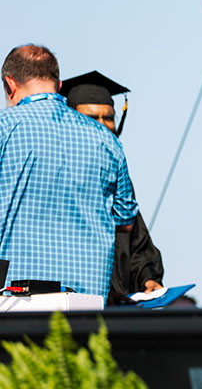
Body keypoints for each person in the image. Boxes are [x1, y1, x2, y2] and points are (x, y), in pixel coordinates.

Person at [0, 45, 138, 300]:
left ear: (10, 85)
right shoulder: (107, 140)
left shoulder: (4, 128)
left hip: (13, 303)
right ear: (58, 83)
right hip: (87, 303)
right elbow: (126, 220)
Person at [60, 71, 164, 303]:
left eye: (108, 118)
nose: (102, 126)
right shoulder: (55, 175)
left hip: (117, 311)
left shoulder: (117, 179)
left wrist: (148, 279)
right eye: (91, 118)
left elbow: (136, 246)